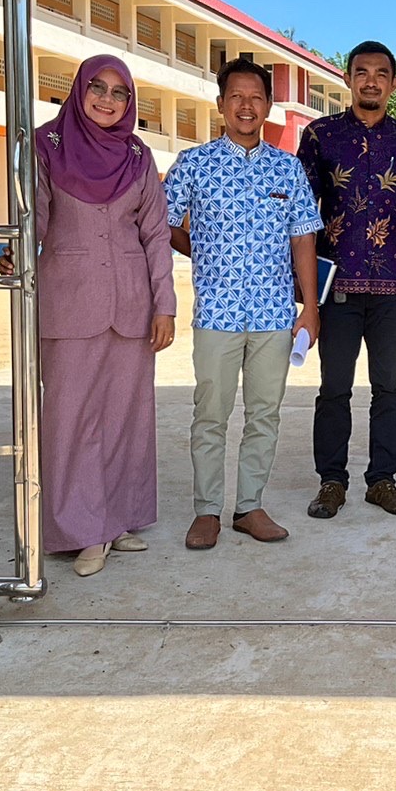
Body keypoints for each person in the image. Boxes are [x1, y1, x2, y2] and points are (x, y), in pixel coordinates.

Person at [163, 58, 323, 550]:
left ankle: (249, 506)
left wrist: (310, 308)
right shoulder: (194, 164)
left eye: (256, 97)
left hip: (274, 314)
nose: (246, 106)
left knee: (264, 414)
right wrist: (201, 248)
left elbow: (303, 238)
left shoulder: (287, 168)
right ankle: (207, 511)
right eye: (236, 96)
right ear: (221, 104)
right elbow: (161, 223)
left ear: (269, 105)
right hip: (217, 312)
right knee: (210, 414)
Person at [31, 54, 176, 577]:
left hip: (132, 304)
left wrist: (165, 305)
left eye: (119, 92)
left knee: (125, 418)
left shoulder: (138, 156)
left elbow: (156, 234)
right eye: (97, 87)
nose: (107, 100)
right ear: (79, 90)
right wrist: (16, 256)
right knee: (70, 419)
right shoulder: (46, 145)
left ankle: (115, 521)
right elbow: (33, 218)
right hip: (70, 301)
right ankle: (82, 530)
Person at [297, 40, 396, 519]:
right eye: (362, 72)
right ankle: (331, 482)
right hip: (336, 286)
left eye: (381, 73)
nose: (371, 81)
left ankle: (382, 480)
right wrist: (304, 287)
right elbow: (301, 213)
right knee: (334, 388)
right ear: (348, 79)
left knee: (389, 388)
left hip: (394, 289)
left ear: (393, 83)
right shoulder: (321, 136)